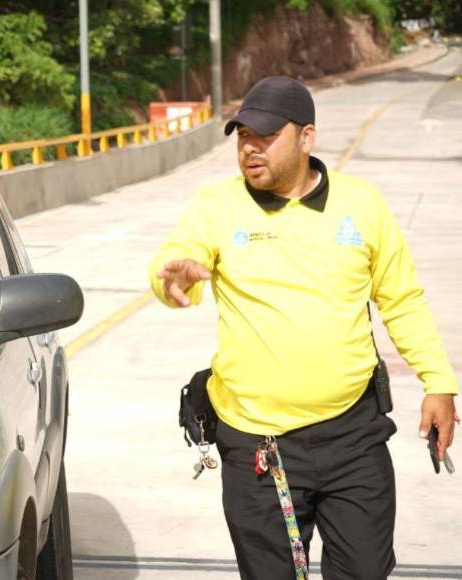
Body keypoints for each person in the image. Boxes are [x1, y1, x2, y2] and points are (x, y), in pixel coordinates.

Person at [149, 76, 458, 579]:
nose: (250, 148)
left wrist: (438, 382)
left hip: (353, 435)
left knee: (365, 570)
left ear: (306, 137)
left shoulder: (361, 205)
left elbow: (401, 299)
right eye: (243, 136)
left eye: (266, 136)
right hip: (257, 442)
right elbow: (179, 257)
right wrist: (172, 278)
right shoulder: (216, 206)